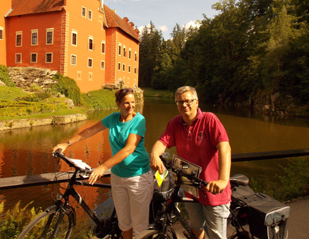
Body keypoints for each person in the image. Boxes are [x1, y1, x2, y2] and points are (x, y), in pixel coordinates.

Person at [53, 88, 153, 239]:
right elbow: (89, 131)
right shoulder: (113, 118)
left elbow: (129, 149)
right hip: (118, 177)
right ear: (118, 104)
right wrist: (66, 144)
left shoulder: (139, 120)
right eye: (126, 103)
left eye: (133, 102)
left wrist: (103, 167)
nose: (130, 106)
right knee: (124, 224)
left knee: (140, 227)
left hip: (137, 177)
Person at [150, 86, 231, 239]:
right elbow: (162, 141)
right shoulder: (175, 123)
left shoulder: (209, 119)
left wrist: (222, 180)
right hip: (191, 188)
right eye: (179, 102)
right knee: (196, 227)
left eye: (188, 101)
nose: (184, 105)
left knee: (216, 236)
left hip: (212, 189)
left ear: (196, 102)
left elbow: (224, 147)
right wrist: (154, 153)